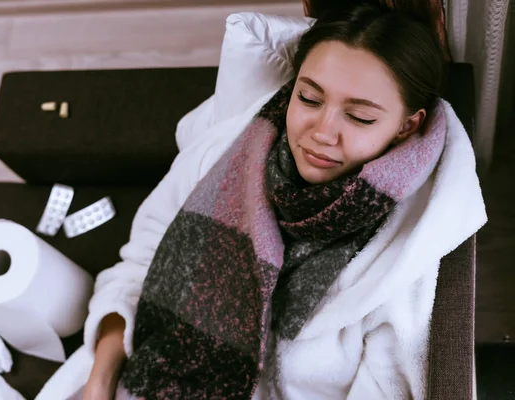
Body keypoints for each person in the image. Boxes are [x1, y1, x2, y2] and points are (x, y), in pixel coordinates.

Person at [81, 2, 477, 399]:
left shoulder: (408, 242)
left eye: (359, 117)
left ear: (407, 126)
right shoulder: (229, 148)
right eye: (309, 98)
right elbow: (141, 263)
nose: (322, 132)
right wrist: (99, 381)